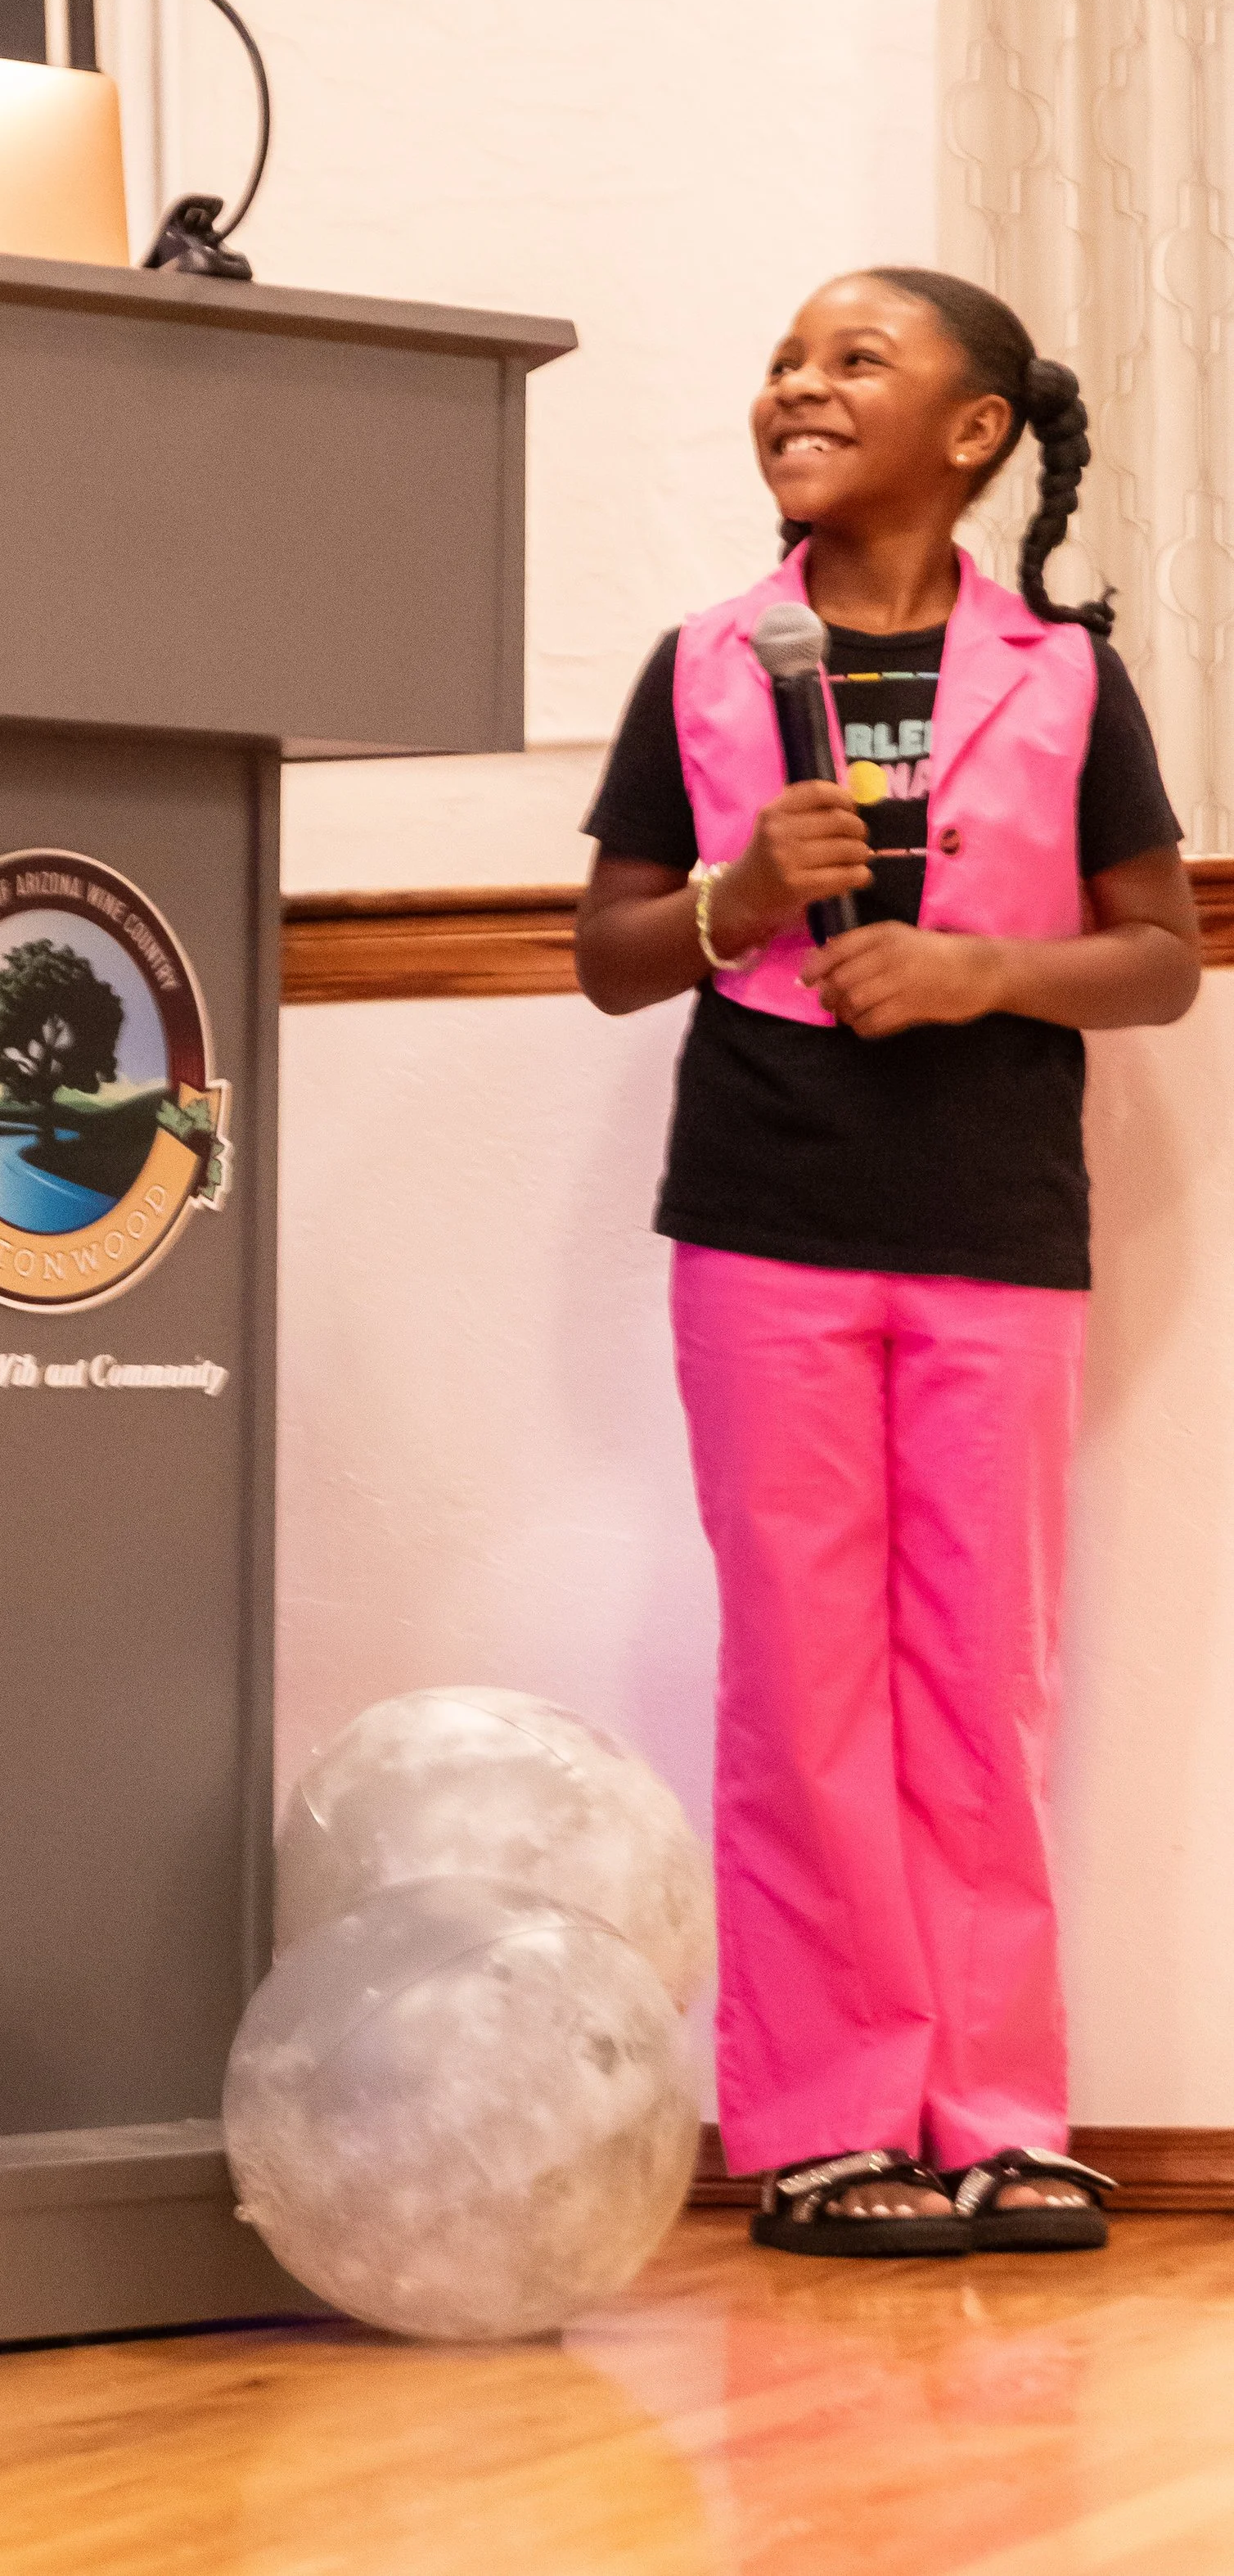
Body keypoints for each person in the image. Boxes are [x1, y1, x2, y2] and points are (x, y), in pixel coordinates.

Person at [575, 268, 1199, 2257]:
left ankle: (999, 2113)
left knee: (976, 1683)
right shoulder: (697, 663)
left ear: (974, 433)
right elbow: (601, 959)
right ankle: (828, 2122)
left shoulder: (1072, 678)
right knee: (802, 1687)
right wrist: (731, 896)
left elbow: (1161, 958)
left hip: (994, 1231)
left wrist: (972, 972)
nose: (796, 386)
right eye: (780, 360)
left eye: (854, 360)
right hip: (763, 1220)